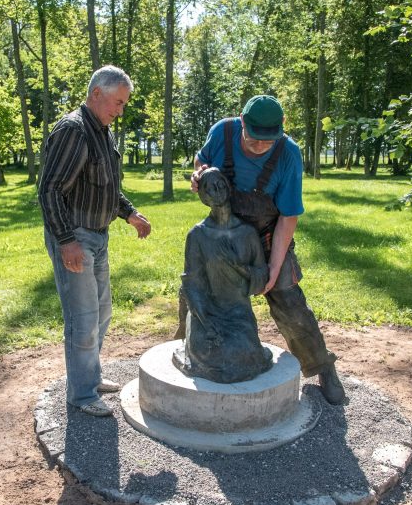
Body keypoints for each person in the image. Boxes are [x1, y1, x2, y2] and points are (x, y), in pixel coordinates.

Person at [190, 94, 345, 404]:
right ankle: (185, 349)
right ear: (241, 121)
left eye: (268, 140)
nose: (260, 145)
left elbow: (288, 217)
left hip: (268, 236)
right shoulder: (222, 132)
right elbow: (202, 162)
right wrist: (200, 176)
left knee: (289, 301)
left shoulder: (288, 154)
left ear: (282, 126)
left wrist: (273, 269)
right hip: (223, 235)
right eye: (254, 138)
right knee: (195, 291)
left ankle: (321, 366)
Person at [38, 65, 151, 417]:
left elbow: (105, 187)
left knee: (102, 313)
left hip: (98, 236)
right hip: (75, 237)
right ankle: (83, 395)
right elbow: (49, 190)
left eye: (124, 104)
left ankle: (90, 376)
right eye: (118, 102)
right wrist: (66, 240)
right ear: (97, 93)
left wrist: (129, 214)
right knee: (83, 318)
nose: (121, 111)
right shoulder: (73, 130)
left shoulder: (102, 131)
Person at [173, 167, 273, 383]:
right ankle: (191, 338)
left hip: (238, 313)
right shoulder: (198, 235)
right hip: (205, 313)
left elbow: (261, 277)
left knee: (243, 354)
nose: (217, 190)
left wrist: (239, 267)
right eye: (210, 188)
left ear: (228, 188)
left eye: (220, 184)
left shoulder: (247, 233)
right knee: (208, 353)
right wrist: (205, 320)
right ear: (203, 196)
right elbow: (191, 284)